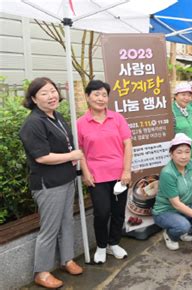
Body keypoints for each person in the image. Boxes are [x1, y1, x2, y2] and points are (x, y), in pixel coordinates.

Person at [19, 77, 84, 288]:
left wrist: (71, 155)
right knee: (49, 228)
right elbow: (42, 157)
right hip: (49, 184)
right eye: (44, 93)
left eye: (53, 90)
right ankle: (42, 272)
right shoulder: (33, 123)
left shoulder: (56, 116)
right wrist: (72, 155)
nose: (51, 96)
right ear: (34, 99)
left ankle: (67, 260)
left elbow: (66, 143)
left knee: (66, 221)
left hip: (66, 179)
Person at [77, 80, 132, 264]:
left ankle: (113, 243)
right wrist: (85, 173)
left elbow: (128, 145)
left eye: (104, 95)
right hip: (96, 176)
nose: (101, 99)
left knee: (118, 212)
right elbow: (80, 152)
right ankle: (101, 246)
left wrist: (126, 170)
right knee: (102, 212)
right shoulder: (80, 123)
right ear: (87, 96)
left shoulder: (117, 118)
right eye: (96, 94)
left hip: (119, 175)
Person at [172, 82, 192, 150]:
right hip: (179, 153)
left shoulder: (188, 110)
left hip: (190, 152)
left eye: (189, 95)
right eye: (183, 95)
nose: (187, 98)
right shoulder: (171, 112)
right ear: (175, 96)